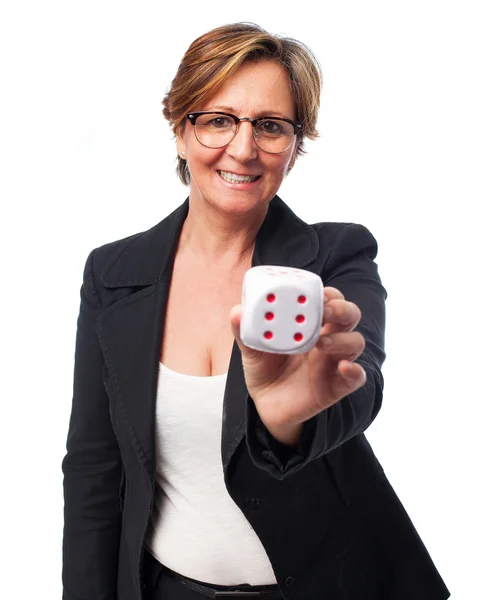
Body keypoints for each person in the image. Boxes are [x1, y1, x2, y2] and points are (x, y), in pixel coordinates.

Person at [62, 22, 450, 600]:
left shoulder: (337, 257)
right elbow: (94, 468)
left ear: (295, 148)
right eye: (218, 119)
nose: (243, 148)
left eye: (270, 126)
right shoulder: (113, 275)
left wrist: (289, 421)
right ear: (179, 129)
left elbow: (359, 383)